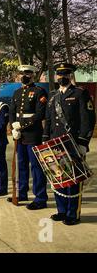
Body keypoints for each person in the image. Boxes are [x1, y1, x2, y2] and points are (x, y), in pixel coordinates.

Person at [43, 62, 96, 225]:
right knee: (58, 178)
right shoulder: (53, 95)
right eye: (59, 74)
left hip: (73, 143)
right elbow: (49, 119)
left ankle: (73, 214)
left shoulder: (80, 93)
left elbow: (88, 119)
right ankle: (62, 210)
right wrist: (46, 139)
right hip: (55, 143)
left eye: (65, 74)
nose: (62, 77)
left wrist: (83, 142)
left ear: (71, 75)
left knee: (73, 179)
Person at [9, 65, 48, 210]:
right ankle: (23, 193)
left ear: (32, 75)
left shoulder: (39, 91)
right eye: (22, 74)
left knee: (36, 167)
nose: (24, 76)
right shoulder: (17, 92)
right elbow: (12, 111)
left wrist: (21, 125)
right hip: (19, 134)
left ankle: (40, 198)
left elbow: (39, 114)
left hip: (33, 134)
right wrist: (13, 126)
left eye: (27, 73)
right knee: (22, 165)